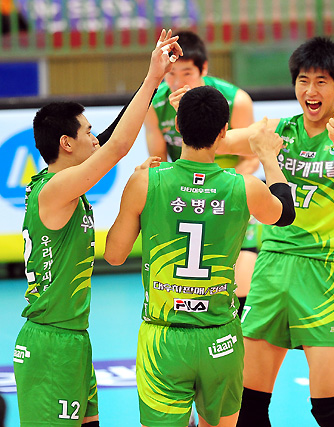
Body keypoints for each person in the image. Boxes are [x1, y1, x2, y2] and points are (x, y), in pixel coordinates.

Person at [187, 36, 334, 427]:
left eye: (321, 82)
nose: (310, 91)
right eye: (303, 81)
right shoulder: (277, 130)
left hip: (324, 273)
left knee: (331, 411)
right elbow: (219, 140)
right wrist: (192, 109)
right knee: (249, 409)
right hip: (271, 269)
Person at [13, 29, 182, 427]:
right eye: (87, 132)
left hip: (74, 338)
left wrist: (153, 81)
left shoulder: (64, 182)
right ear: (66, 143)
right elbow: (117, 146)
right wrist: (153, 77)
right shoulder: (56, 189)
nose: (95, 138)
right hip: (50, 344)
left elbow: (112, 137)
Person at [103, 86, 295, 427]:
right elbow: (285, 213)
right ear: (223, 132)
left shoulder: (146, 182)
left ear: (177, 125)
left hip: (163, 338)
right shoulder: (244, 186)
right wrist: (268, 158)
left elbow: (115, 255)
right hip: (219, 336)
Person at [144, 30, 259, 317]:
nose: (177, 82)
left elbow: (251, 159)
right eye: (170, 75)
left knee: (241, 289)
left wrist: (223, 189)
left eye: (187, 73)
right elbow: (158, 161)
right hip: (185, 198)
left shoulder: (235, 101)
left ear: (203, 69)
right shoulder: (155, 104)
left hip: (227, 196)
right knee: (183, 289)